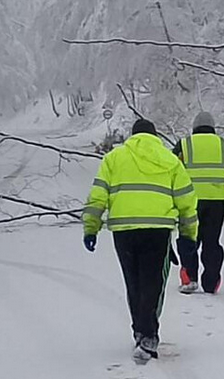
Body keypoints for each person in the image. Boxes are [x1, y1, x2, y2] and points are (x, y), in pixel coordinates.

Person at [82, 119, 198, 362]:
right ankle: (148, 334)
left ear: (132, 136)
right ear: (155, 135)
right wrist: (188, 236)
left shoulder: (114, 158)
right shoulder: (170, 160)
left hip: (124, 231)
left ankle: (140, 330)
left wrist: (91, 228)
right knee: (153, 282)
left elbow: (98, 195)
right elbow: (187, 202)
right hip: (157, 230)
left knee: (133, 282)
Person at [172, 111, 224, 294]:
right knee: (212, 242)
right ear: (213, 128)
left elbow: (171, 172)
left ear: (194, 128)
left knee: (188, 240)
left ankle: (189, 278)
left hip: (189, 202)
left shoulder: (185, 145)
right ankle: (211, 282)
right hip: (215, 203)